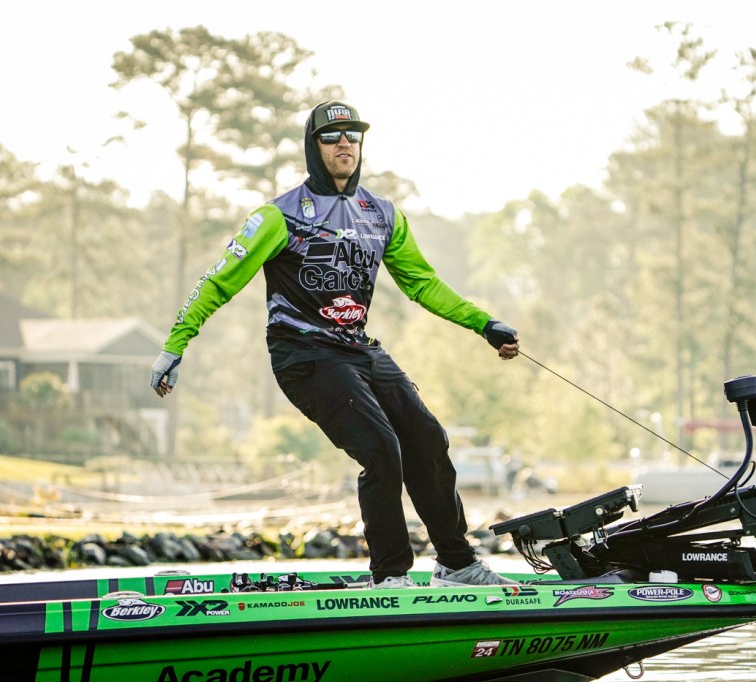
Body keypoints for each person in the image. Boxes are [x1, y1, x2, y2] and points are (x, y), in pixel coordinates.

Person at [150, 101, 520, 589]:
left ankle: (457, 564)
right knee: (381, 449)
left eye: (352, 135)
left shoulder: (381, 214)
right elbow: (219, 282)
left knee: (427, 439)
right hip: (303, 354)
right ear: (313, 146)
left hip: (359, 348)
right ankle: (390, 577)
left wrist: (484, 324)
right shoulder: (278, 216)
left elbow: (423, 284)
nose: (344, 143)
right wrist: (175, 345)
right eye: (331, 135)